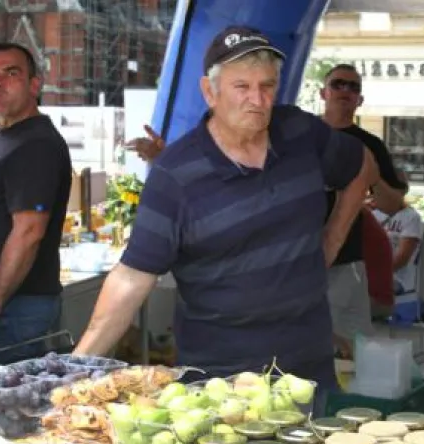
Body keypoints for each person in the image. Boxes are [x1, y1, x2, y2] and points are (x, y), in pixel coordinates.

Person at [72, 26, 379, 413]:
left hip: (308, 378)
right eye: (242, 86)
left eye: (267, 86)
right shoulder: (175, 175)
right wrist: (75, 371)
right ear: (209, 91)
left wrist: (331, 241)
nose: (257, 100)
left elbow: (361, 165)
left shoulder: (300, 132)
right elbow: (132, 278)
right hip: (221, 391)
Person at [0, 42, 71, 361]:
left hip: (15, 309)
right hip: (14, 306)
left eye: (11, 73)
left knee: (5, 406)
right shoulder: (14, 138)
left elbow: (29, 231)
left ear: (35, 84)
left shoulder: (35, 144)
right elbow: (10, 219)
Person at [318, 63, 406, 351]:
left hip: (349, 260)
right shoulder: (304, 136)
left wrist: (372, 174)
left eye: (353, 87)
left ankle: (353, 397)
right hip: (302, 256)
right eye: (338, 84)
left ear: (360, 99)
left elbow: (392, 205)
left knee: (358, 349)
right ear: (323, 92)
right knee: (316, 344)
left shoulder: (370, 145)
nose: (345, 91)